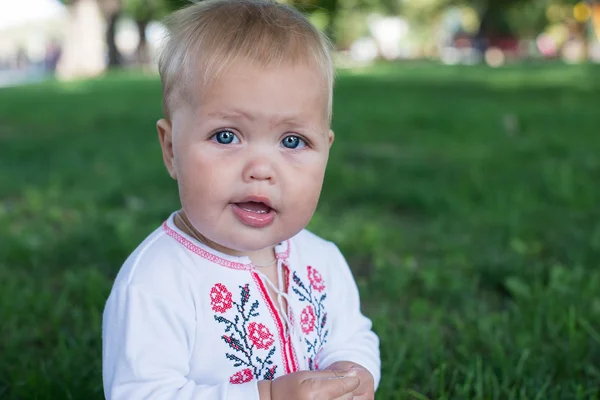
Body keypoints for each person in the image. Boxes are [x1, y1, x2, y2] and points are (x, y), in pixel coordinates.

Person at [101, 0, 380, 399]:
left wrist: (354, 372)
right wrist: (266, 395)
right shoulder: (156, 283)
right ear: (171, 150)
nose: (261, 169)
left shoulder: (323, 260)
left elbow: (353, 336)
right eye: (226, 136)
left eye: (292, 141)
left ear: (326, 152)